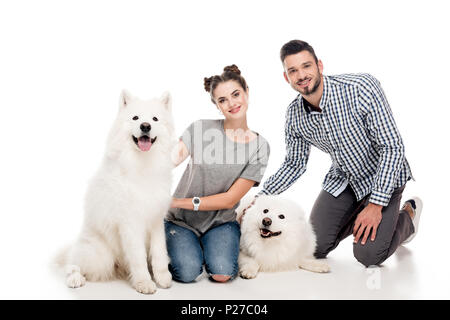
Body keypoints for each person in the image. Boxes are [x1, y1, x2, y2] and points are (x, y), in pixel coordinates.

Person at [258, 40, 422, 267]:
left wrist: (375, 205)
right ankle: (362, 215)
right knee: (311, 248)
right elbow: (294, 164)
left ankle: (406, 217)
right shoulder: (294, 115)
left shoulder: (361, 88)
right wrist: (260, 198)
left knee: (369, 255)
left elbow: (392, 147)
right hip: (345, 180)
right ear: (286, 78)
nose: (301, 75)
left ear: (320, 66)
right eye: (293, 70)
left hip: (384, 177)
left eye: (306, 66)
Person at [166, 65, 270, 282]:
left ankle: (205, 249)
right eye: (222, 100)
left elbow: (230, 199)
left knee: (222, 274)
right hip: (181, 221)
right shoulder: (200, 128)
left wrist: (176, 201)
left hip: (221, 222)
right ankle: (186, 250)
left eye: (235, 94)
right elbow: (167, 161)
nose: (231, 103)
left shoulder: (260, 146)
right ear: (217, 105)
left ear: (246, 92)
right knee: (187, 273)